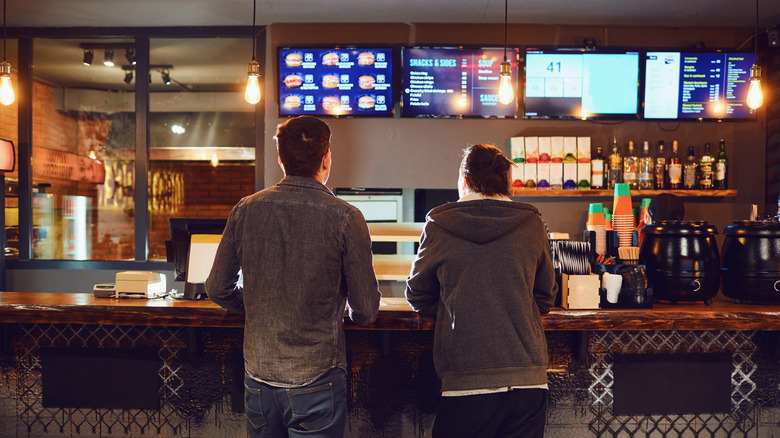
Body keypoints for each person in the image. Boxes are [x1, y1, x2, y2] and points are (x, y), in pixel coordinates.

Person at [206, 115, 381, 438]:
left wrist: (256, 304)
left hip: (259, 375)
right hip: (317, 375)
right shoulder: (346, 217)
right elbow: (366, 311)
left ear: (280, 159)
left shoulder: (245, 209)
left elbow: (217, 288)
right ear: (326, 159)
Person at [405, 143, 557, 438]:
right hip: (527, 380)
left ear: (464, 181)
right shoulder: (532, 223)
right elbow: (545, 297)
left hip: (465, 380)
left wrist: (457, 303)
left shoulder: (439, 224)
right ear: (507, 182)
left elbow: (417, 295)